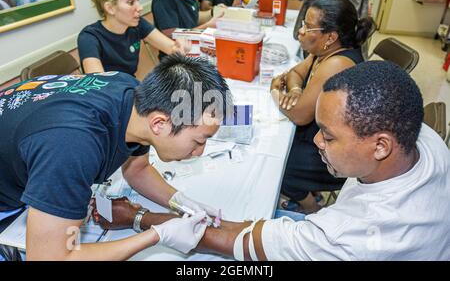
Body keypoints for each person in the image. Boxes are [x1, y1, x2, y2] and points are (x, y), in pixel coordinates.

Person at [97, 61, 450, 260]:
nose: (315, 141)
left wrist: (140, 217)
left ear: (380, 146)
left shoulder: (353, 237)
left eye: (328, 135)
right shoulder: (419, 137)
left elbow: (244, 242)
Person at [0, 54, 232, 261]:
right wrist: (157, 235)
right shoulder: (74, 145)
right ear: (159, 123)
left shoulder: (131, 95)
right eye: (199, 141)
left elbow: (137, 169)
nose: (200, 151)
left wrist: (180, 201)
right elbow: (47, 257)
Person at [270, 0, 372, 214]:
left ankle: (311, 206)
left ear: (330, 37)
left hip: (338, 151)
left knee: (277, 162)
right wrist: (296, 90)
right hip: (321, 135)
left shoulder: (336, 63)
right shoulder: (323, 53)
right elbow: (295, 73)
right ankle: (305, 193)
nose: (301, 31)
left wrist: (275, 92)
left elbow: (298, 115)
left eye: (308, 26)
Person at [77, 0, 190, 76]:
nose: (140, 8)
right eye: (131, 2)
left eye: (138, 0)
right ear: (110, 8)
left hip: (130, 88)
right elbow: (97, 82)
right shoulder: (89, 37)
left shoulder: (137, 24)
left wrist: (179, 47)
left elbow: (171, 48)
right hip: (108, 95)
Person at [152, 0, 223, 59]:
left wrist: (214, 12)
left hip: (195, 50)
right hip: (176, 59)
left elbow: (194, 17)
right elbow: (176, 40)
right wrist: (207, 26)